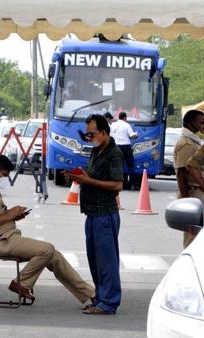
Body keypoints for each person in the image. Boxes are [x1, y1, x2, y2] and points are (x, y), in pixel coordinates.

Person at [0, 155, 96, 308]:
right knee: (46, 249)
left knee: (55, 256)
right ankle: (20, 283)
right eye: (4, 175)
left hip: (8, 237)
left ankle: (91, 295)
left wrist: (13, 217)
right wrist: (9, 215)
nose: (5, 179)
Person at [65, 114, 123, 315]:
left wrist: (88, 181)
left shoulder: (114, 154)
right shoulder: (97, 150)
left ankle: (109, 303)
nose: (88, 137)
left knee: (107, 261)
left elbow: (117, 184)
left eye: (91, 133)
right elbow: (91, 175)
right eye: (87, 134)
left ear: (104, 132)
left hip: (104, 214)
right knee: (95, 260)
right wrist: (78, 176)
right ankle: (101, 298)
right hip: (92, 213)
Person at [174, 110, 204, 248]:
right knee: (192, 237)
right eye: (201, 122)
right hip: (192, 194)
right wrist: (186, 200)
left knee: (197, 234)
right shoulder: (187, 144)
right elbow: (181, 172)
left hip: (197, 194)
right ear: (191, 123)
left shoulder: (193, 141)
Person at [110, 111, 138, 190]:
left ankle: (119, 184)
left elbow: (110, 136)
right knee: (130, 165)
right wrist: (136, 135)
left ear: (119, 117)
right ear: (125, 117)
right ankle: (132, 184)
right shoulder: (127, 125)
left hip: (116, 146)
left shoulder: (113, 125)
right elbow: (132, 136)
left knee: (118, 166)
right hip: (125, 146)